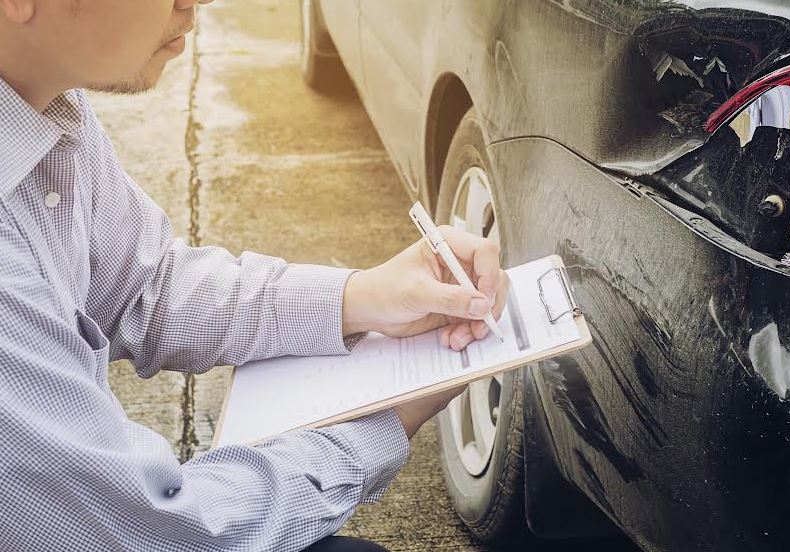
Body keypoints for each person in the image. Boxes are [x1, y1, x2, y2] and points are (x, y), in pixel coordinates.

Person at [0, 0, 509, 550]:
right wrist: (377, 424)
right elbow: (161, 531)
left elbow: (146, 287)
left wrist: (361, 297)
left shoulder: (46, 109)